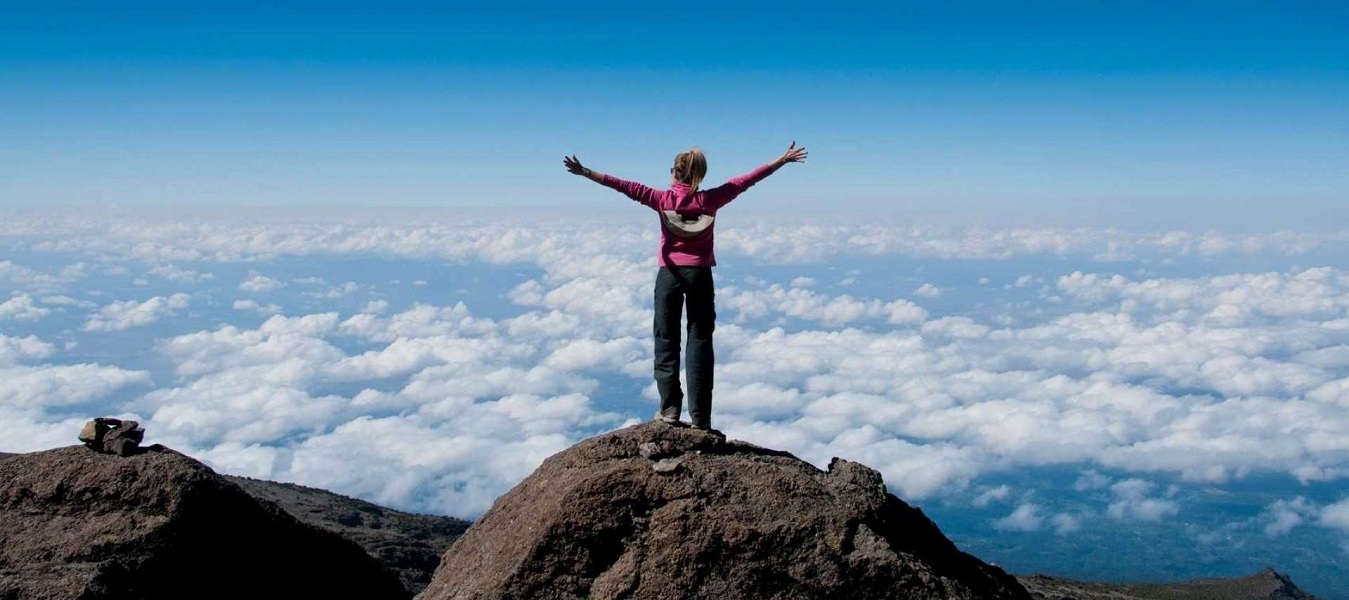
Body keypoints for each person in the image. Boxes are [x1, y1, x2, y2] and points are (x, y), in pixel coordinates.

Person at [562, 142, 808, 430]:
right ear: (698, 176)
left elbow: (622, 185)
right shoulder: (711, 200)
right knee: (700, 342)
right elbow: (747, 180)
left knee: (666, 341)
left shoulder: (660, 198)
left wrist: (585, 172)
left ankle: (669, 410)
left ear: (674, 173)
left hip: (669, 276)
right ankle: (700, 419)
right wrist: (781, 159)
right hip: (700, 276)